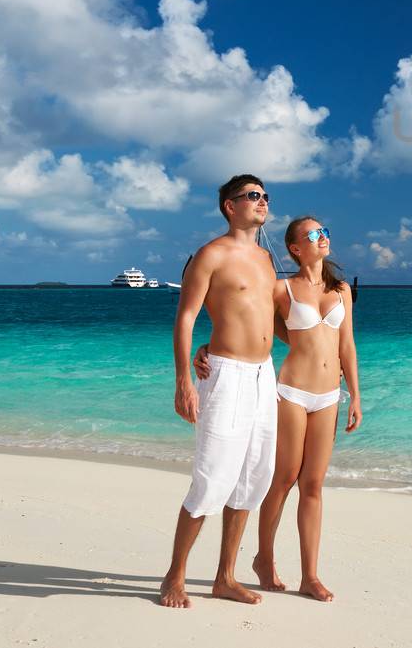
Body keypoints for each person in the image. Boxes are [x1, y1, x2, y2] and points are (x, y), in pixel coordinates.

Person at [196, 215, 362, 602]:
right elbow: (242, 319)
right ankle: (265, 560)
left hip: (328, 397)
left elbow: (347, 346)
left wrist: (355, 395)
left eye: (325, 231)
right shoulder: (280, 288)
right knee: (284, 478)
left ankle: (310, 575)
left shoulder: (341, 290)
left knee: (314, 485)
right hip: (289, 391)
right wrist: (209, 348)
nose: (323, 236)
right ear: (294, 247)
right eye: (314, 234)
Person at [158, 174, 279, 609]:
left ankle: (225, 576)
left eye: (265, 196)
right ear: (230, 206)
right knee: (212, 476)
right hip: (225, 375)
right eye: (252, 196)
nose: (262, 202)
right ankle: (174, 575)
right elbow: (186, 317)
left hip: (265, 375)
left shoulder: (267, 259)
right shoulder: (210, 255)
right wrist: (183, 379)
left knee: (253, 477)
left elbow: (272, 318)